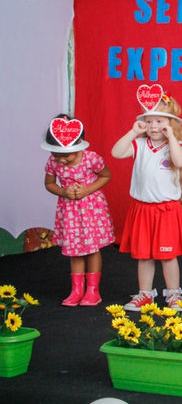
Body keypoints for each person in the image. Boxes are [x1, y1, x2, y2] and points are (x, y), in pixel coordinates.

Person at [111, 88, 182, 311]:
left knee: (168, 255)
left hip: (166, 210)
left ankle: (174, 294)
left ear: (171, 123)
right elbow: (116, 152)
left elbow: (180, 162)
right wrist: (133, 132)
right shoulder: (139, 144)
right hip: (142, 209)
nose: (154, 126)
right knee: (144, 256)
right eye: (149, 121)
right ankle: (145, 294)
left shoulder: (178, 145)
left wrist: (172, 136)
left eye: (159, 121)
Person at [42, 115, 114, 306]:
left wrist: (87, 190)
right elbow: (49, 183)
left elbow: (106, 176)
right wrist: (63, 192)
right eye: (57, 154)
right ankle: (76, 290)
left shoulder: (91, 158)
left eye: (67, 155)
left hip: (91, 209)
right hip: (70, 212)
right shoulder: (53, 162)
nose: (62, 160)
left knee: (91, 249)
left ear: (79, 144)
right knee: (75, 251)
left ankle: (93, 290)